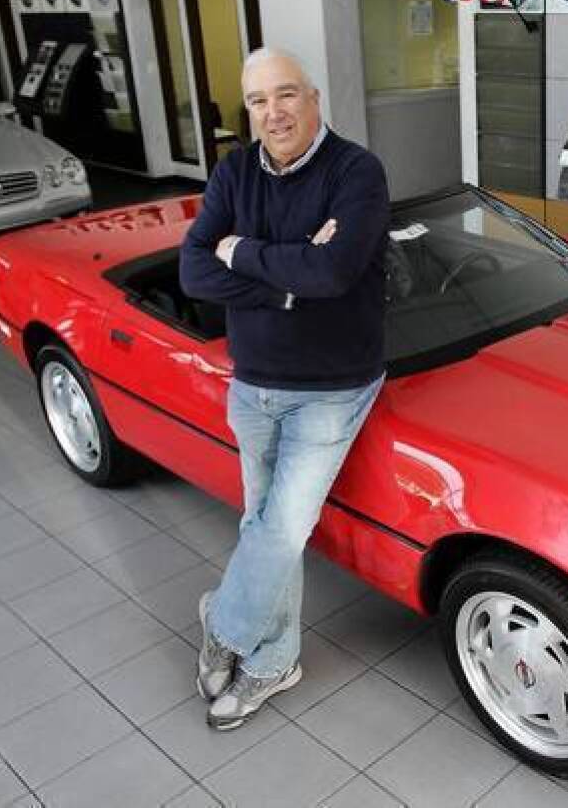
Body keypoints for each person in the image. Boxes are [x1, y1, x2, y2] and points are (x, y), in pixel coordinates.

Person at [179, 47, 389, 730]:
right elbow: (191, 271)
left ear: (315, 97)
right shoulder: (235, 169)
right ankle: (277, 659)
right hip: (255, 380)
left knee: (282, 526)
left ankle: (227, 628)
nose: (274, 112)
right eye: (259, 101)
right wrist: (288, 283)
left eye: (287, 94)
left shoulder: (356, 171)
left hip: (332, 387)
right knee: (266, 527)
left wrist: (238, 250)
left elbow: (333, 272)